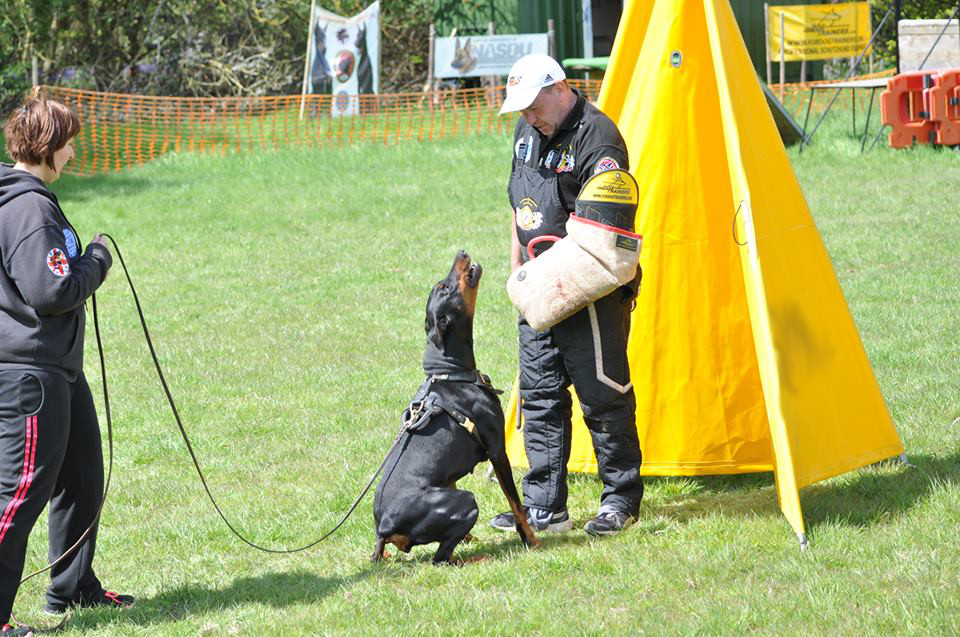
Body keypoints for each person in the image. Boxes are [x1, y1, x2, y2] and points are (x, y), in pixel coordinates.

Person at [489, 54, 644, 537]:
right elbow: (519, 202)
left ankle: (620, 500)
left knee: (603, 396)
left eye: (533, 105)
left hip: (589, 287)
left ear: (559, 88)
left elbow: (605, 228)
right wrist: (516, 262)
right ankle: (544, 506)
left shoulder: (598, 137)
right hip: (538, 288)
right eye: (520, 110)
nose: (528, 117)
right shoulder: (524, 133)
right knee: (539, 396)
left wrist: (554, 278)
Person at [0, 95, 133, 635]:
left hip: (55, 370)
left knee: (81, 473)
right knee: (18, 495)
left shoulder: (27, 200)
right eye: (69, 142)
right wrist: (98, 260)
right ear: (48, 147)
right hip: (29, 374)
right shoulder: (28, 207)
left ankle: (73, 588)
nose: (74, 152)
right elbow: (51, 289)